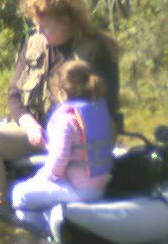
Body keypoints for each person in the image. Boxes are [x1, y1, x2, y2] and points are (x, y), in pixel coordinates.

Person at [0, 0, 121, 208]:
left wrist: (66, 135)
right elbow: (14, 95)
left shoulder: (96, 50)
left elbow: (107, 107)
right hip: (35, 133)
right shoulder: (34, 44)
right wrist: (28, 123)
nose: (38, 32)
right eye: (36, 26)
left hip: (79, 138)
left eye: (45, 27)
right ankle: (0, 209)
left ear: (66, 22)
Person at [10, 58, 116, 217]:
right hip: (100, 187)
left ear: (62, 94)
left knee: (20, 194)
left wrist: (39, 178)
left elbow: (58, 163)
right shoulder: (99, 112)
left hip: (79, 190)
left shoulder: (66, 120)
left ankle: (34, 235)